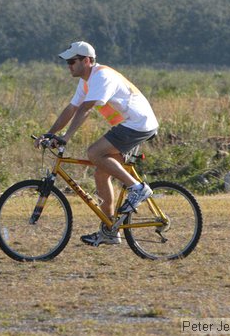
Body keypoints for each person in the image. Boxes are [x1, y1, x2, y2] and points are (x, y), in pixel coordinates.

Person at [35, 41, 159, 246]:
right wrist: (50, 133)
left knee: (94, 153)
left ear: (87, 60)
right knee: (101, 173)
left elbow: (86, 109)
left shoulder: (102, 76)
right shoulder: (85, 82)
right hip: (129, 124)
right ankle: (110, 231)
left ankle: (137, 188)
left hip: (138, 123)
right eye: (67, 62)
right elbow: (72, 108)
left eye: (72, 61)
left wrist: (65, 137)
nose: (69, 66)